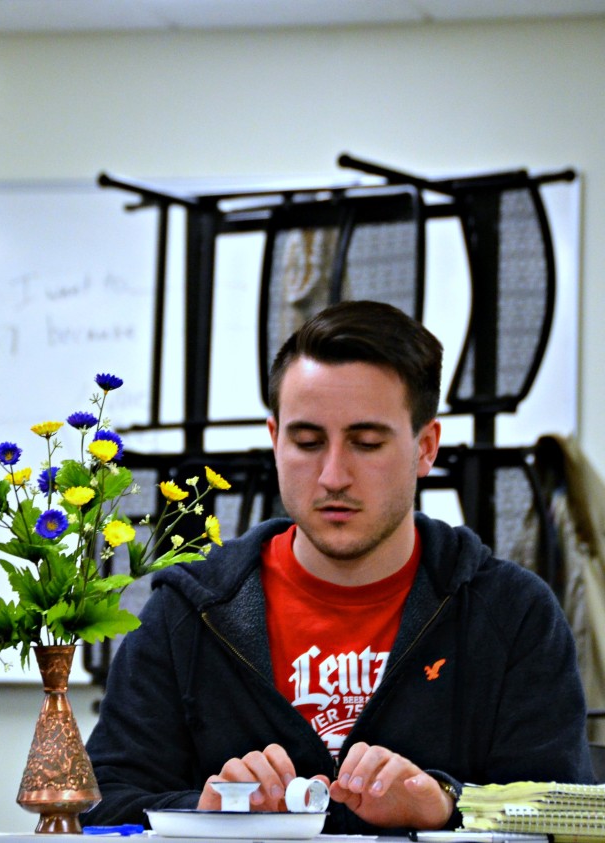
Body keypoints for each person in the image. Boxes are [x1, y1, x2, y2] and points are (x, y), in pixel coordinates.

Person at [83, 300, 595, 834]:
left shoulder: (512, 614)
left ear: (425, 448)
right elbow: (98, 803)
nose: (333, 476)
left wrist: (447, 804)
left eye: (366, 443)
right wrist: (204, 812)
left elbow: (571, 812)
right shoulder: (187, 611)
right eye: (307, 442)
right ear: (275, 440)